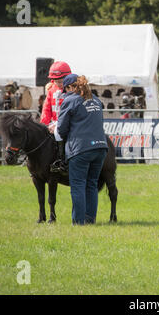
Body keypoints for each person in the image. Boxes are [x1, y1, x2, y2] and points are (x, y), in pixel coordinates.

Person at [57, 75, 108, 225]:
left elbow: (61, 128)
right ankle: (90, 220)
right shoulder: (96, 100)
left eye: (65, 90)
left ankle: (78, 222)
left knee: (78, 185)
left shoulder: (70, 100)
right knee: (91, 184)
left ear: (70, 87)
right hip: (100, 147)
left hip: (80, 149)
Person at [40, 61, 72, 172]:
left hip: (67, 123)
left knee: (60, 135)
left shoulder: (72, 90)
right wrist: (44, 124)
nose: (58, 84)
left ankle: (64, 162)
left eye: (61, 81)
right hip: (53, 123)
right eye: (56, 81)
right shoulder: (51, 90)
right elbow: (46, 108)